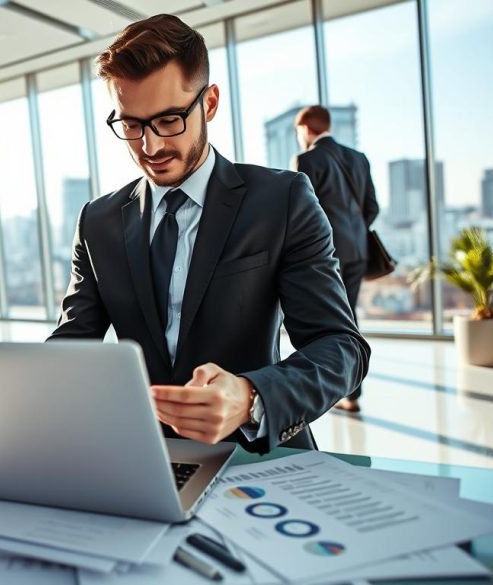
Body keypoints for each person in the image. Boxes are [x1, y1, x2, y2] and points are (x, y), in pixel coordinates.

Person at [48, 14, 370, 453]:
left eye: (169, 120)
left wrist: (251, 396)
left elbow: (341, 348)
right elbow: (71, 348)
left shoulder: (282, 200)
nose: (151, 147)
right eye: (131, 125)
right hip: (144, 460)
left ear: (210, 103)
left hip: (256, 458)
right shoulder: (97, 220)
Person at [293, 105, 379, 412]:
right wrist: (353, 232)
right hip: (358, 249)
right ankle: (351, 393)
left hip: (326, 254)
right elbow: (372, 208)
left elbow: (302, 214)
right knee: (349, 316)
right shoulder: (358, 158)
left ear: (305, 129)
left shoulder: (307, 159)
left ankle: (339, 391)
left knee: (331, 323)